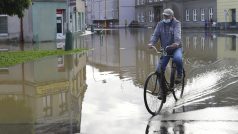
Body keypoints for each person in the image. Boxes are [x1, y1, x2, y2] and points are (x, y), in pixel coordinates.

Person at [147, 8, 183, 84]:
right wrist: (151, 43)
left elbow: (177, 34)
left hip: (176, 48)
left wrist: (176, 43)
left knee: (177, 59)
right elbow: (155, 35)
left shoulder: (176, 23)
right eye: (164, 16)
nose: (165, 18)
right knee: (159, 70)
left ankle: (180, 74)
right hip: (165, 49)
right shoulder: (160, 24)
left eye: (167, 16)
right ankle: (162, 90)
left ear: (172, 16)